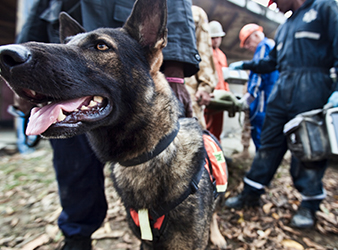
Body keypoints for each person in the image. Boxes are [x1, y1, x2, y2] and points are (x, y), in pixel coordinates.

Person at [16, 0, 200, 249]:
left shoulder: (138, 43)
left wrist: (176, 67)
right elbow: (41, 6)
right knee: (73, 165)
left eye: (100, 47)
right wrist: (23, 72)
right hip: (66, 55)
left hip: (124, 38)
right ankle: (77, 236)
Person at [225, 0, 338, 229]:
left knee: (308, 146)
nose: (274, 4)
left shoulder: (325, 7)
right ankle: (251, 192)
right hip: (282, 89)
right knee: (268, 143)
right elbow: (272, 62)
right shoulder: (286, 26)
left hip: (313, 86)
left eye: (276, 0)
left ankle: (309, 203)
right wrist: (246, 65)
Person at [238, 23, 279, 151]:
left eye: (248, 42)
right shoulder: (272, 47)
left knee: (259, 134)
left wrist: (250, 96)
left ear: (256, 35)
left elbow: (259, 74)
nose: (248, 47)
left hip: (261, 101)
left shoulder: (263, 46)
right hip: (271, 99)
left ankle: (262, 165)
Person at [185, 5, 217, 129]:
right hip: (185, 90)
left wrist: (205, 86)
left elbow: (202, 51)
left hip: (188, 88)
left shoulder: (195, 13)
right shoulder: (194, 13)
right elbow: (203, 51)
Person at [204, 20, 230, 141]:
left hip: (221, 97)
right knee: (206, 127)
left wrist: (227, 93)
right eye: (213, 37)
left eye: (218, 37)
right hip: (210, 97)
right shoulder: (204, 53)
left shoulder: (222, 55)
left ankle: (217, 153)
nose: (216, 40)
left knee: (218, 128)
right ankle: (207, 155)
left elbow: (225, 77)